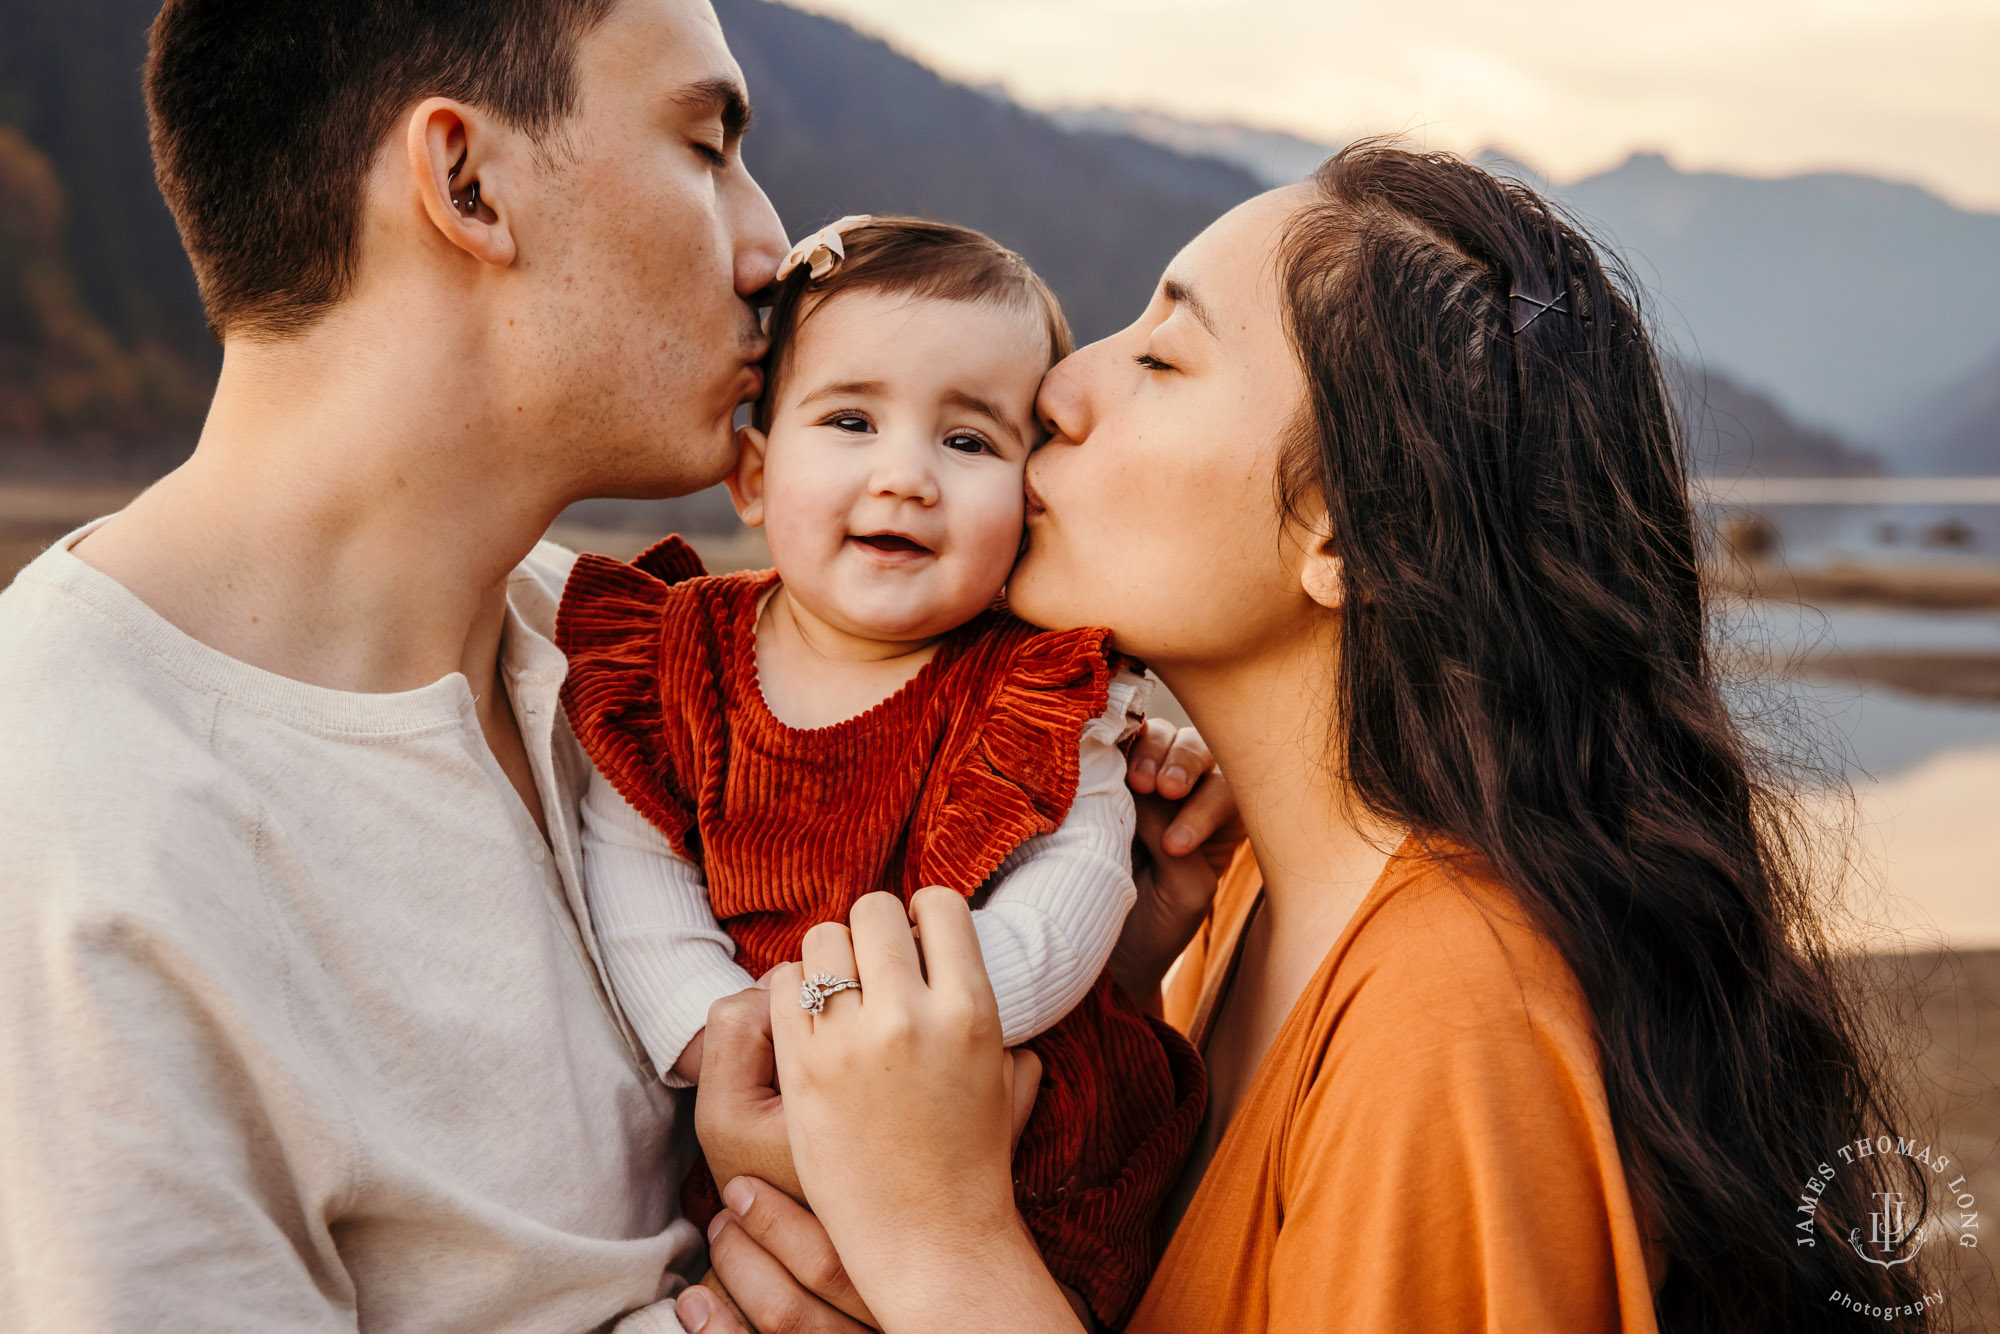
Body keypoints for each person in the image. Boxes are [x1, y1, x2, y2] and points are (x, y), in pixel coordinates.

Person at [0, 0, 1223, 1326]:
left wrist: (1116, 952)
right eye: (706, 145)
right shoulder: (70, 817)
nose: (774, 250)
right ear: (469, 184)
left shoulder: (619, 649)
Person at [678, 144, 1936, 1334]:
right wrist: (1102, 1003)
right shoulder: (1245, 906)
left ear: (1342, 527)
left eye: (1160, 360)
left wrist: (941, 1246)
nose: (1058, 386)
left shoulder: (1453, 1013)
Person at [555, 215, 1204, 1328]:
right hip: (752, 1100)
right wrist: (717, 1027)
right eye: (850, 420)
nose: (904, 476)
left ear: (1027, 501)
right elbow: (634, 852)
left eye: (968, 441)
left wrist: (893, 1041)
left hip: (1007, 1142)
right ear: (754, 476)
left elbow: (1074, 885)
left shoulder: (1033, 684)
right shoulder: (682, 653)